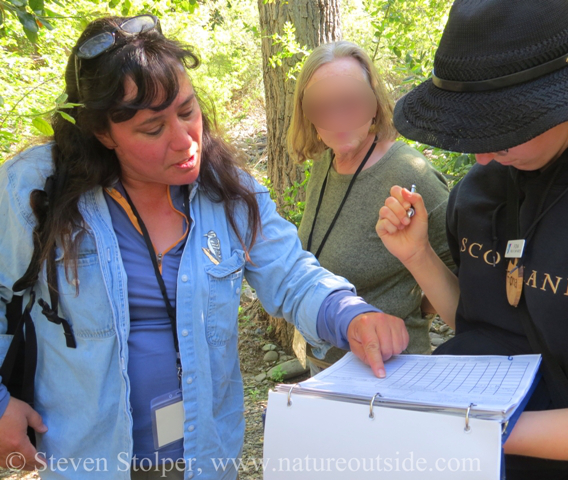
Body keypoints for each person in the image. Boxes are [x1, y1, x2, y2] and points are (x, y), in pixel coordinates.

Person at [0, 16, 410, 480]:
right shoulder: (35, 191)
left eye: (188, 110)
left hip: (203, 456)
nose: (184, 141)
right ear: (102, 133)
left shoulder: (229, 192)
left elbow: (292, 276)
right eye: (153, 130)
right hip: (89, 460)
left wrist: (352, 314)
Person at [377, 0, 568, 479]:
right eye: (470, 134)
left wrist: (479, 429)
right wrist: (417, 255)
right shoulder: (483, 187)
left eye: (500, 134)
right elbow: (486, 322)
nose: (479, 159)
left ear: (564, 100)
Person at [288, 40, 453, 373]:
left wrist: (416, 312)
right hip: (329, 367)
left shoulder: (408, 171)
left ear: (374, 104)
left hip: (390, 372)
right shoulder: (326, 163)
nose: (338, 117)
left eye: (351, 101)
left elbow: (460, 266)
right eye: (323, 105)